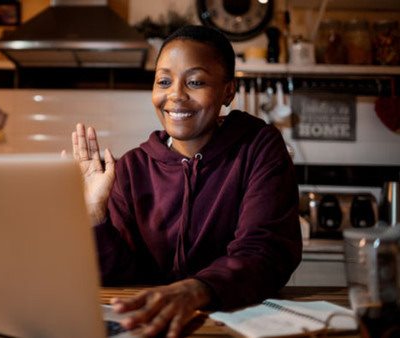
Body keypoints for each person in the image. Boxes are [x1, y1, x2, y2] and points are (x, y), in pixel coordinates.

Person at [68, 25, 302, 338]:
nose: (176, 94)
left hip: (233, 326)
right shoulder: (131, 168)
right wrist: (95, 214)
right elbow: (121, 276)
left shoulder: (258, 147)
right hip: (153, 327)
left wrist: (195, 290)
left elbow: (264, 251)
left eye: (195, 81)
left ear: (228, 91)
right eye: (164, 81)